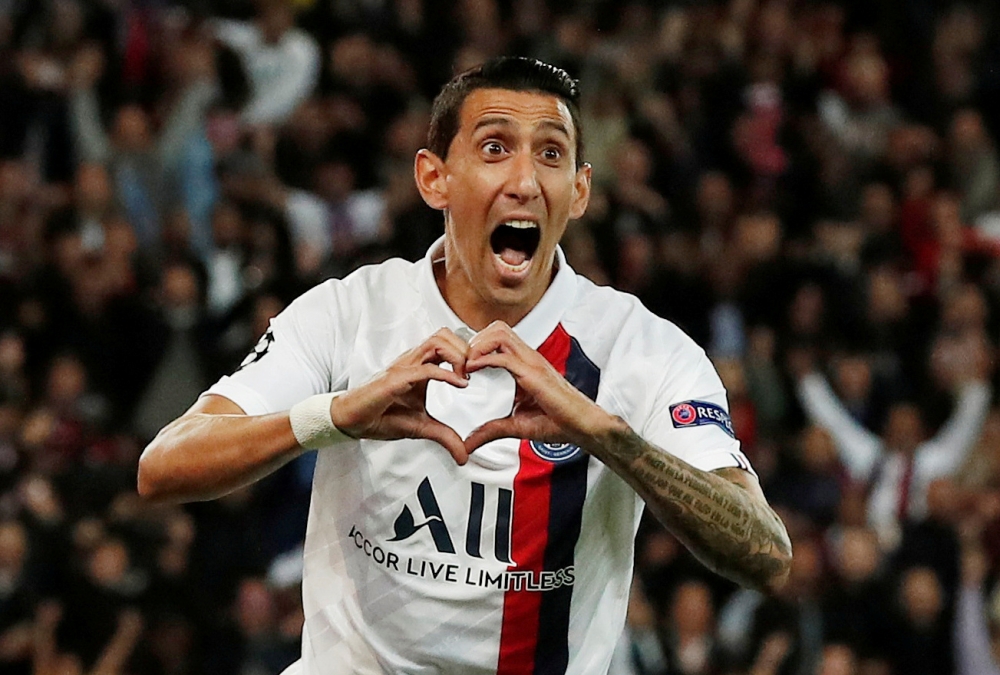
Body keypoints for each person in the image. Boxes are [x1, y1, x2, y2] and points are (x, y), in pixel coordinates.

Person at [137, 57, 792, 674]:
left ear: (580, 191)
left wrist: (604, 434)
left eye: (552, 154)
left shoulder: (644, 350)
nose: (525, 180)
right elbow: (164, 466)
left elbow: (764, 551)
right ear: (434, 178)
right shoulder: (350, 311)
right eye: (494, 147)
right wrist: (337, 416)